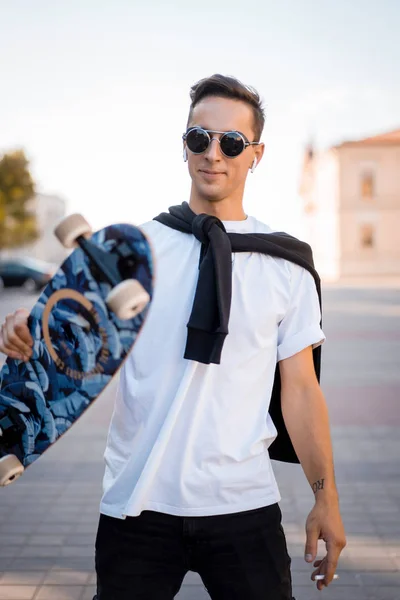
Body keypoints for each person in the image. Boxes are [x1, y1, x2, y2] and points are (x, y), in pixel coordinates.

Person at [0, 74, 346, 600]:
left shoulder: (286, 265)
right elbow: (65, 329)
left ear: (256, 154)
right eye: (198, 138)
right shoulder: (134, 254)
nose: (214, 154)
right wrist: (24, 326)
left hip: (243, 505)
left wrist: (327, 499)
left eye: (232, 143)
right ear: (183, 145)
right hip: (137, 505)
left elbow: (300, 390)